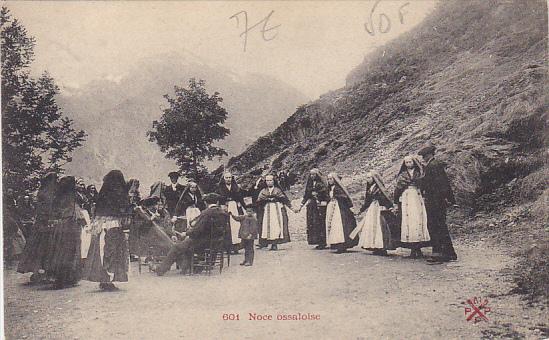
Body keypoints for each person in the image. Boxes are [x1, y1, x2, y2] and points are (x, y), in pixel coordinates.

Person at [155, 193, 229, 276]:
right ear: (217, 202)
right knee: (185, 245)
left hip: (203, 242)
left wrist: (186, 233)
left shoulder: (206, 213)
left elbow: (197, 230)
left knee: (177, 247)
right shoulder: (223, 213)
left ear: (206, 203)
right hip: (216, 242)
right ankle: (190, 268)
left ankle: (160, 270)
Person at [83, 170, 130, 291]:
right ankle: (108, 280)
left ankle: (104, 279)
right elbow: (124, 209)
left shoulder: (104, 193)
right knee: (112, 252)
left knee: (103, 252)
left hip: (101, 227)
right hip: (113, 227)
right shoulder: (118, 193)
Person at [417, 143, 458, 264]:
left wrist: (443, 199)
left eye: (424, 156)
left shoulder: (433, 166)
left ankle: (439, 254)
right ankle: (449, 253)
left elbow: (441, 185)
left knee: (435, 227)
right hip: (437, 201)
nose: (423, 158)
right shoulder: (433, 165)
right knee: (441, 227)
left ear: (429, 155)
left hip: (435, 202)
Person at [47, 176, 87, 289]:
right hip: (70, 226)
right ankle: (65, 278)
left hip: (62, 226)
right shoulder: (72, 196)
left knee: (61, 251)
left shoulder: (59, 196)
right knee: (69, 252)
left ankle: (62, 278)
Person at [17, 173, 58, 283]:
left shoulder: (43, 192)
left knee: (39, 247)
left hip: (42, 223)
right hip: (45, 224)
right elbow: (46, 210)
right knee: (43, 247)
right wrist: (49, 219)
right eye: (54, 180)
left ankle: (39, 272)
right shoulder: (47, 194)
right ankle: (40, 272)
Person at [351, 171, 395, 256]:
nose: (368, 179)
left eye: (369, 177)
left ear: (374, 178)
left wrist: (388, 206)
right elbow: (367, 201)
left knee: (380, 227)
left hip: (379, 208)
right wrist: (361, 210)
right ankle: (374, 246)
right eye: (367, 178)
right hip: (372, 208)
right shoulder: (369, 189)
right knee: (371, 227)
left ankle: (382, 247)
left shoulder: (380, 188)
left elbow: (385, 197)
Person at [394, 155, 430, 258]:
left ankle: (419, 247)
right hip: (407, 198)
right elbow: (398, 188)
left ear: (414, 162)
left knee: (418, 220)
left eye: (410, 162)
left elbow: (423, 185)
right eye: (406, 162)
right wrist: (396, 200)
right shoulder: (402, 175)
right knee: (409, 221)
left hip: (417, 197)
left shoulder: (419, 173)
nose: (409, 164)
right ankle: (412, 248)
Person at [256, 174, 296, 251]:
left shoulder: (278, 190)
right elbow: (259, 201)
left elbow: (284, 199)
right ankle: (269, 243)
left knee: (276, 225)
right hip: (267, 210)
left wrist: (292, 208)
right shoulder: (263, 191)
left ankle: (275, 244)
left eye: (270, 180)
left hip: (276, 209)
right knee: (267, 226)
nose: (269, 182)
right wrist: (265, 200)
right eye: (267, 180)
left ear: (273, 181)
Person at [325, 173, 358, 253]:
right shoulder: (330, 188)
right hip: (332, 207)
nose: (329, 181)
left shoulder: (338, 188)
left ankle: (342, 245)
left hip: (339, 208)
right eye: (328, 179)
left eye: (331, 179)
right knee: (334, 226)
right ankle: (336, 244)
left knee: (339, 226)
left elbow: (345, 197)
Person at [298, 169, 329, 249]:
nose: (312, 176)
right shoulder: (310, 184)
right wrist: (301, 205)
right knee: (313, 224)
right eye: (311, 175)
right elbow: (306, 195)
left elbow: (326, 194)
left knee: (321, 223)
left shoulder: (322, 183)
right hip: (312, 206)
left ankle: (323, 242)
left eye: (314, 174)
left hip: (320, 206)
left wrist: (319, 196)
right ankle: (317, 241)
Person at [216, 172, 245, 254]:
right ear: (224, 179)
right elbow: (218, 198)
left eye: (230, 178)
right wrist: (222, 204)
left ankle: (236, 247)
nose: (228, 179)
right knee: (227, 227)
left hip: (235, 207)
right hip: (225, 208)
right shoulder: (219, 188)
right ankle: (228, 248)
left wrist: (243, 206)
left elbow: (240, 198)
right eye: (227, 178)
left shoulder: (236, 187)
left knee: (236, 226)